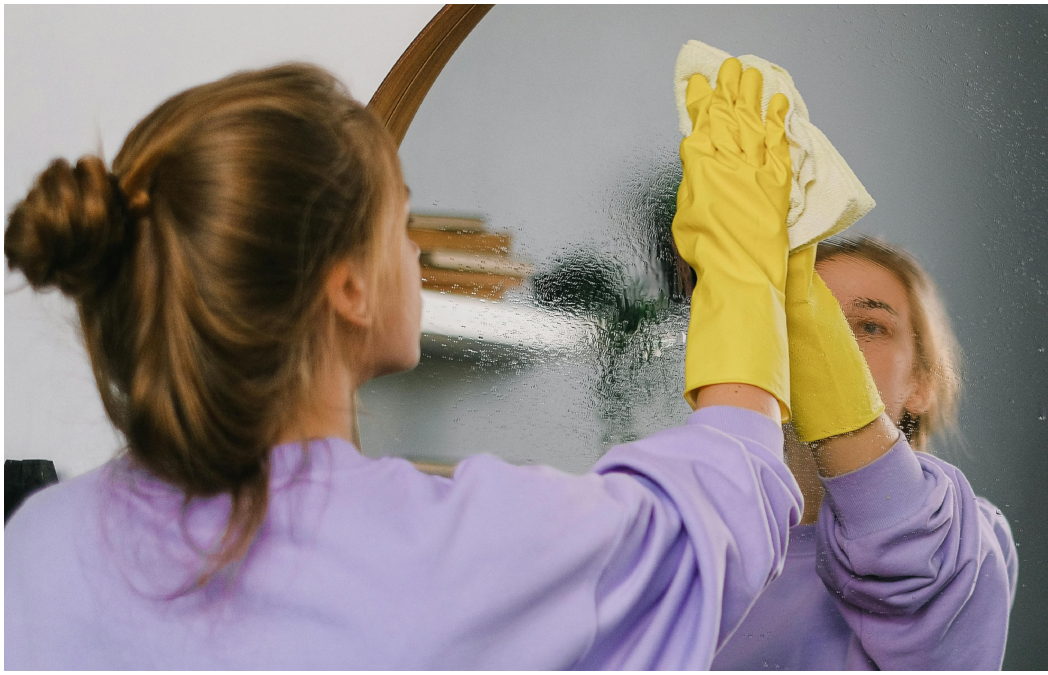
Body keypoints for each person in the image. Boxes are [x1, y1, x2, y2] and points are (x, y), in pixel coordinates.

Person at [2, 59, 894, 669]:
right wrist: (741, 270)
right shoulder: (447, 552)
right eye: (401, 220)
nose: (414, 253)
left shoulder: (37, 545)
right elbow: (702, 531)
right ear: (350, 288)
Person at [712, 235, 1018, 670]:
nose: (829, 343)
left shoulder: (963, 542)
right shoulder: (707, 541)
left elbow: (905, 546)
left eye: (871, 326)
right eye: (804, 319)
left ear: (921, 384)